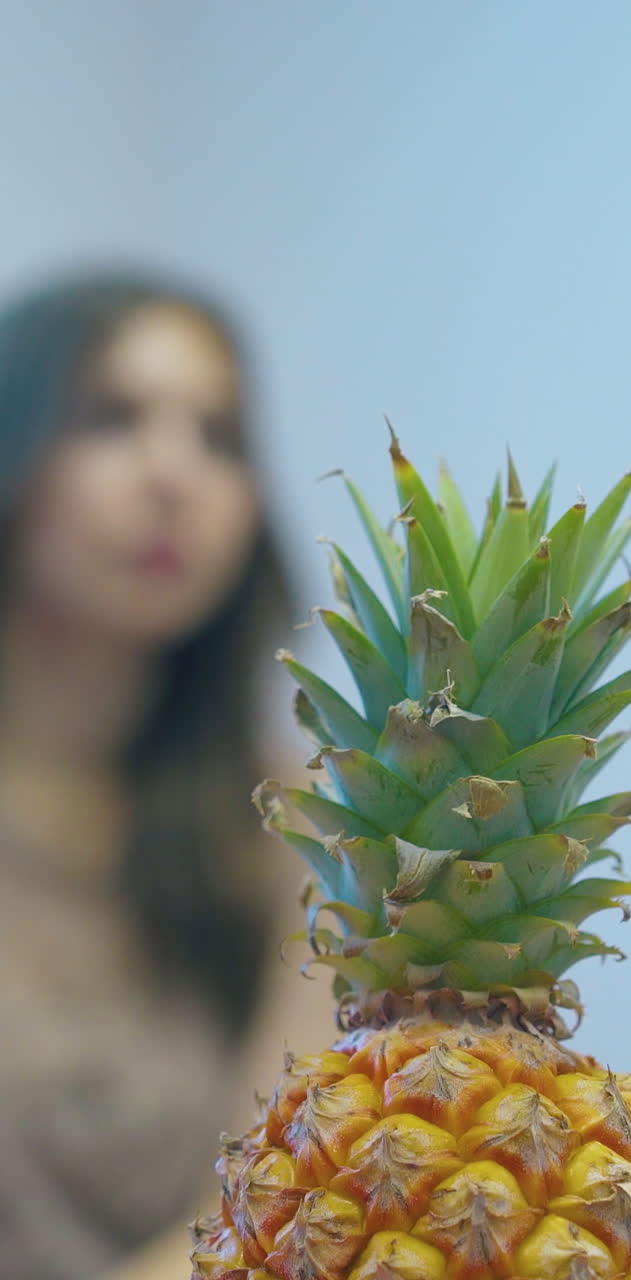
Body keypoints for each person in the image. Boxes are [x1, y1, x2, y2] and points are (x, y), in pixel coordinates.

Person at [0, 271, 333, 1280]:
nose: (173, 474)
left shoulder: (291, 828)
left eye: (221, 437)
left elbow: (284, 1203)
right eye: (110, 417)